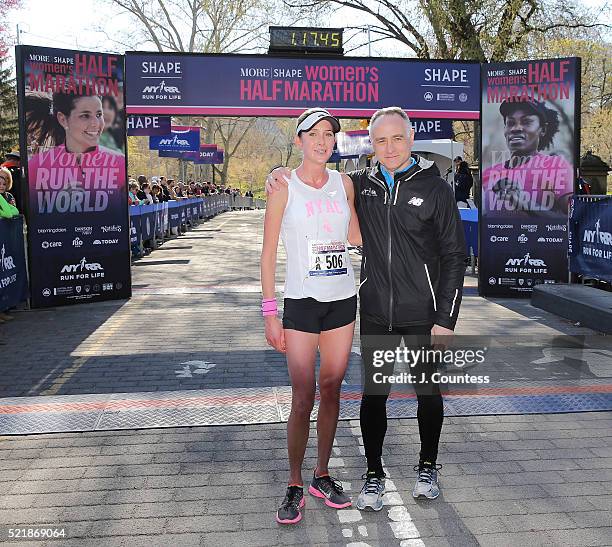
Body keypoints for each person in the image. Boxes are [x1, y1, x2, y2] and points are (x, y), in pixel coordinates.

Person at [267, 106, 466, 508]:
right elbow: (317, 179)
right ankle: (373, 474)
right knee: (374, 394)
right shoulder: (360, 184)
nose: (389, 148)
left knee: (428, 392)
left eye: (397, 138)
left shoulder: (436, 189)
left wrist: (446, 318)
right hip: (374, 310)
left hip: (424, 313)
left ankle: (428, 465)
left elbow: (455, 256)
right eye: (380, 140)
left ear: (410, 139)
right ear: (370, 145)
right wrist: (276, 171)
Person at [261, 108, 361, 525]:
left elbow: (355, 237)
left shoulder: (345, 183)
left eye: (329, 135)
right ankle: (295, 481)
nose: (323, 142)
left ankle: (322, 474)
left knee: (333, 388)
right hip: (301, 303)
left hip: (343, 300)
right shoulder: (283, 185)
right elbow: (267, 254)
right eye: (314, 134)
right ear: (299, 140)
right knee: (302, 396)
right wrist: (270, 313)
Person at [25, 92, 125, 209]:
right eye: (85, 116)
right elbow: (36, 217)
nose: (95, 123)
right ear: (62, 119)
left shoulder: (118, 162)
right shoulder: (36, 166)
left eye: (98, 115)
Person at [481, 98, 574, 216]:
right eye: (510, 123)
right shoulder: (488, 173)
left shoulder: (556, 166)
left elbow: (573, 218)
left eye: (526, 122)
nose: (516, 128)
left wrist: (527, 205)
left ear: (543, 129)